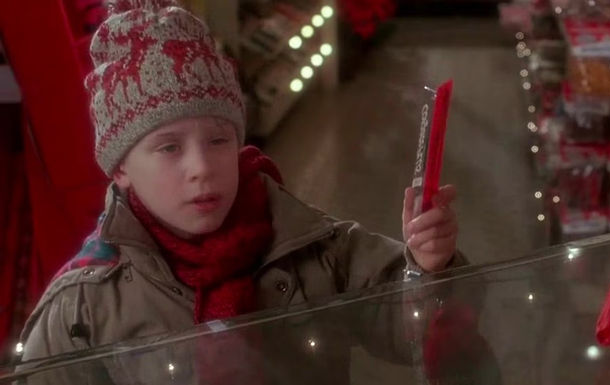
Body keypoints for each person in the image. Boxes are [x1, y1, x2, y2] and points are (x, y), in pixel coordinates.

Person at [16, 0, 465, 383]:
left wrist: (428, 269)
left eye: (218, 140)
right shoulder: (82, 306)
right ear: (120, 169)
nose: (202, 168)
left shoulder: (315, 248)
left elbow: (413, 335)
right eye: (169, 147)